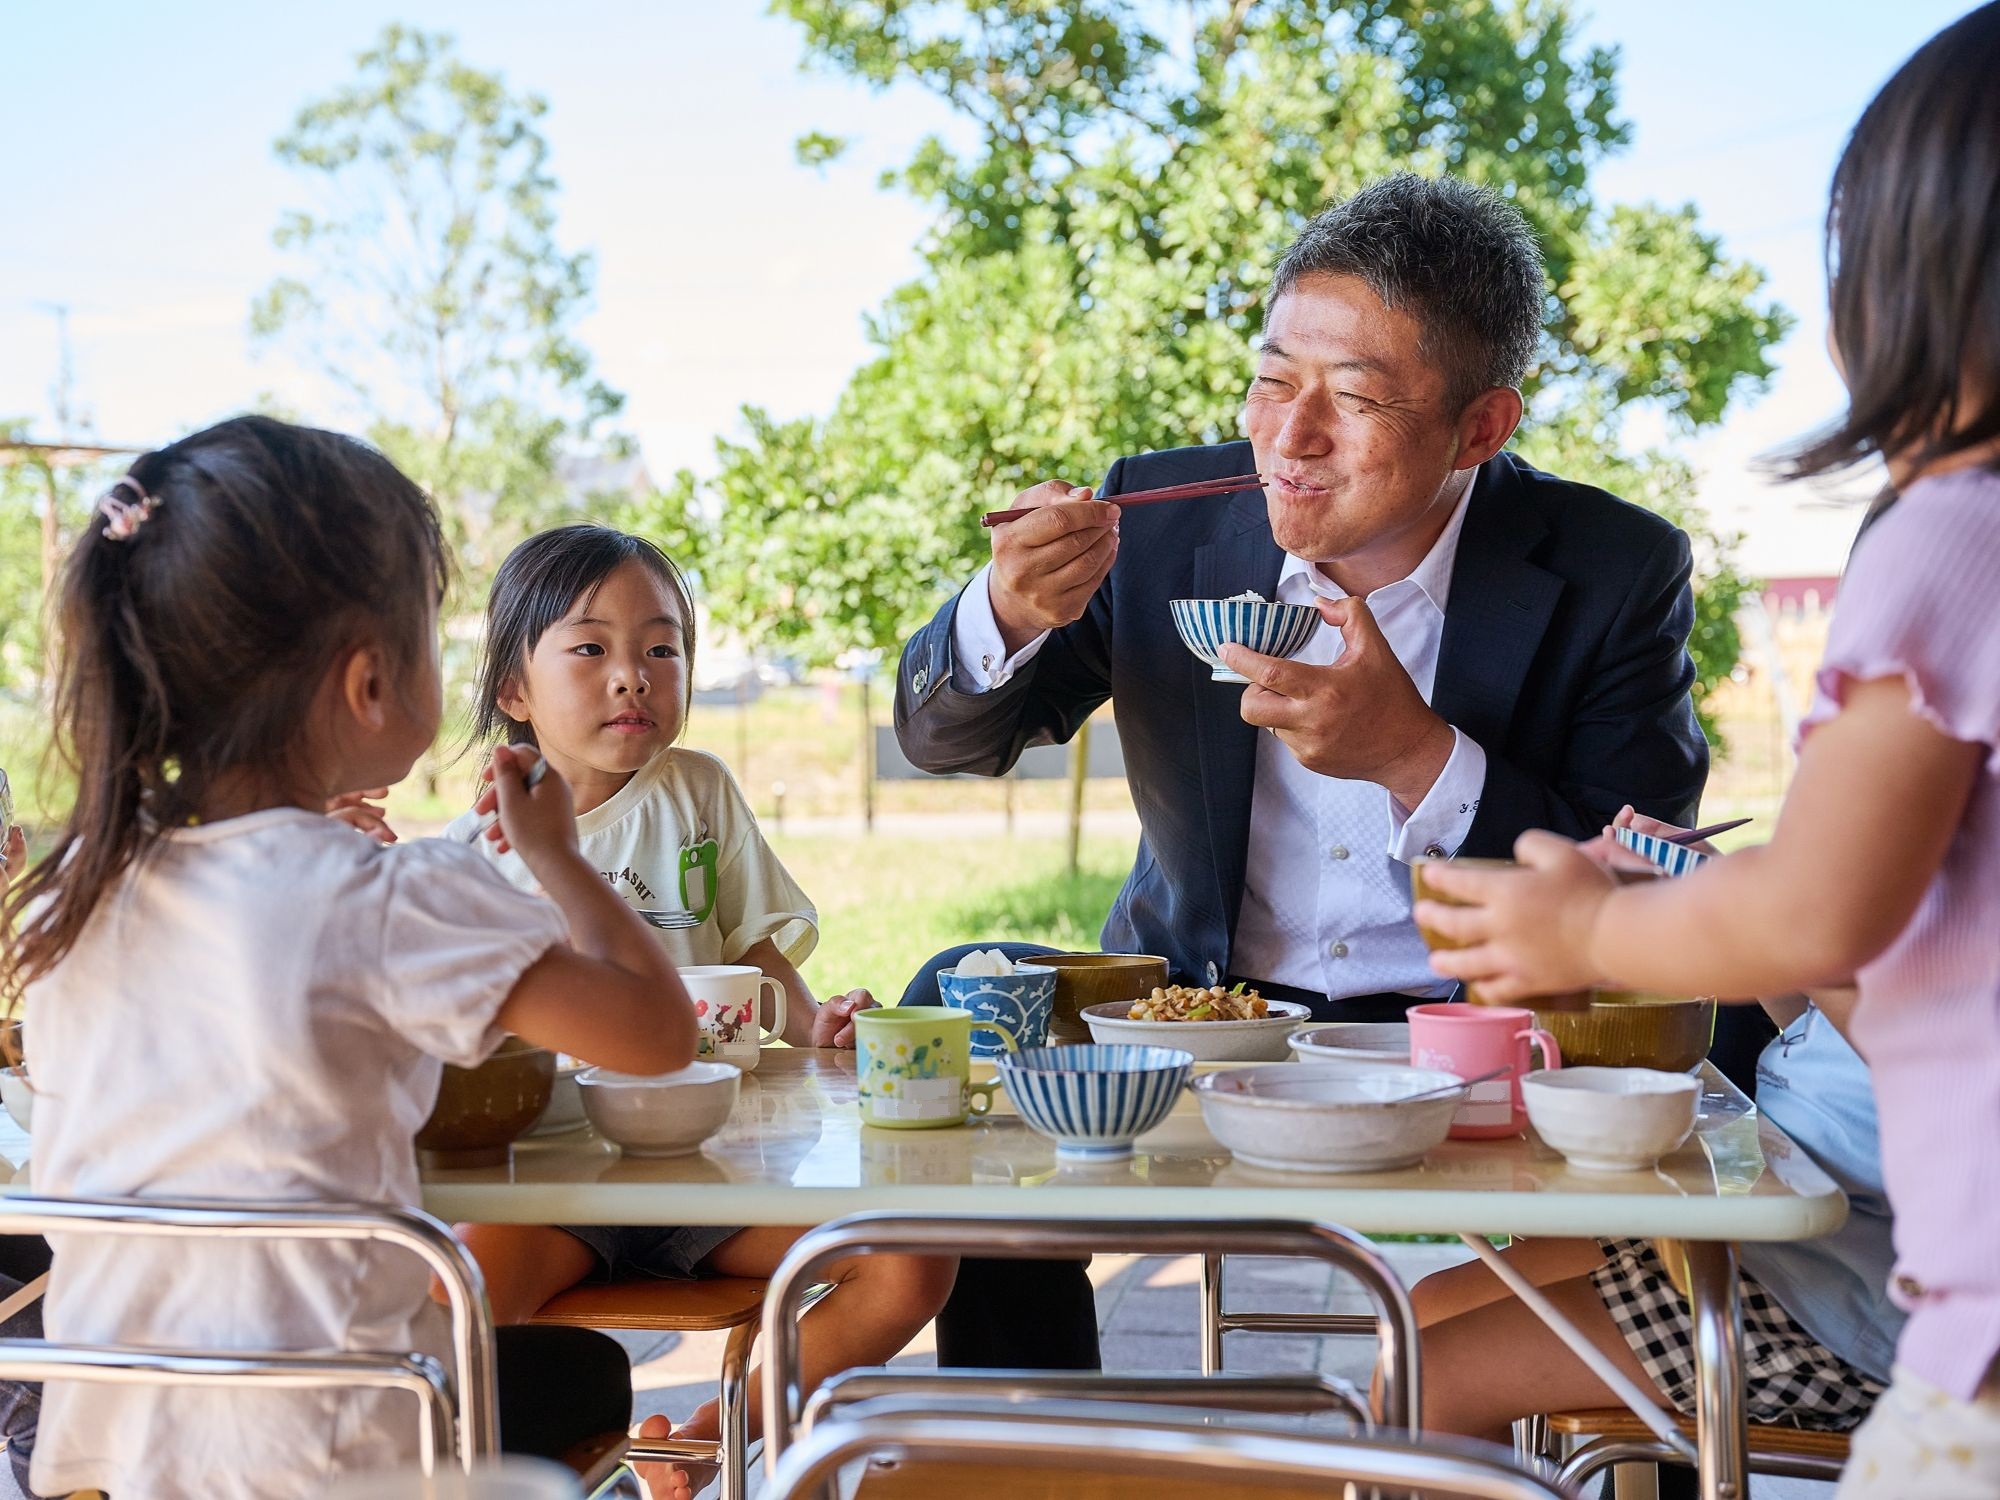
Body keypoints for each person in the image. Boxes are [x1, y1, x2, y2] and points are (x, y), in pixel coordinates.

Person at [895, 171, 1744, 1372]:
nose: (1288, 438)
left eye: (1352, 398)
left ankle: (1619, 1416)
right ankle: (1035, 1425)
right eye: (1270, 379)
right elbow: (949, 742)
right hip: (1198, 1003)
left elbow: (1643, 882)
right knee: (949, 990)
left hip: (1469, 1025)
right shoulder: (1159, 520)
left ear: (1479, 428)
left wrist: (1414, 758)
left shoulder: (1612, 565)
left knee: (1707, 1042)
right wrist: (1002, 608)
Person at [1415, 10, 2000, 1493]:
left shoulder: (1949, 538)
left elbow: (1819, 915)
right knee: (1426, 1317)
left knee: (1418, 1356)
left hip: (1936, 1308)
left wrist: (1596, 921)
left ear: (1907, 275)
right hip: (1891, 1237)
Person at [4, 417, 699, 1500]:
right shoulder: (382, 898)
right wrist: (559, 860)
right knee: (586, 1374)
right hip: (336, 1454)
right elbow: (658, 1037)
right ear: (372, 683)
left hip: (106, 1446)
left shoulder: (70, 894)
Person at [444, 525, 955, 1494]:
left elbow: (756, 958)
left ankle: (710, 1437)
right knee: (452, 1299)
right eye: (590, 649)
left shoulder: (697, 792)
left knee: (911, 1257)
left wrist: (812, 1027)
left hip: (718, 1174)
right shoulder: (477, 849)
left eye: (661, 647)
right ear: (513, 691)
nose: (631, 676)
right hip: (552, 1190)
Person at [1411, 815, 1899, 1455]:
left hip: (1859, 1316)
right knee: (1426, 1306)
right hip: (1773, 1250)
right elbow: (1829, 1025)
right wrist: (1738, 900)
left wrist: (1627, 923)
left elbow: (1897, 1036)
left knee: (1432, 1376)